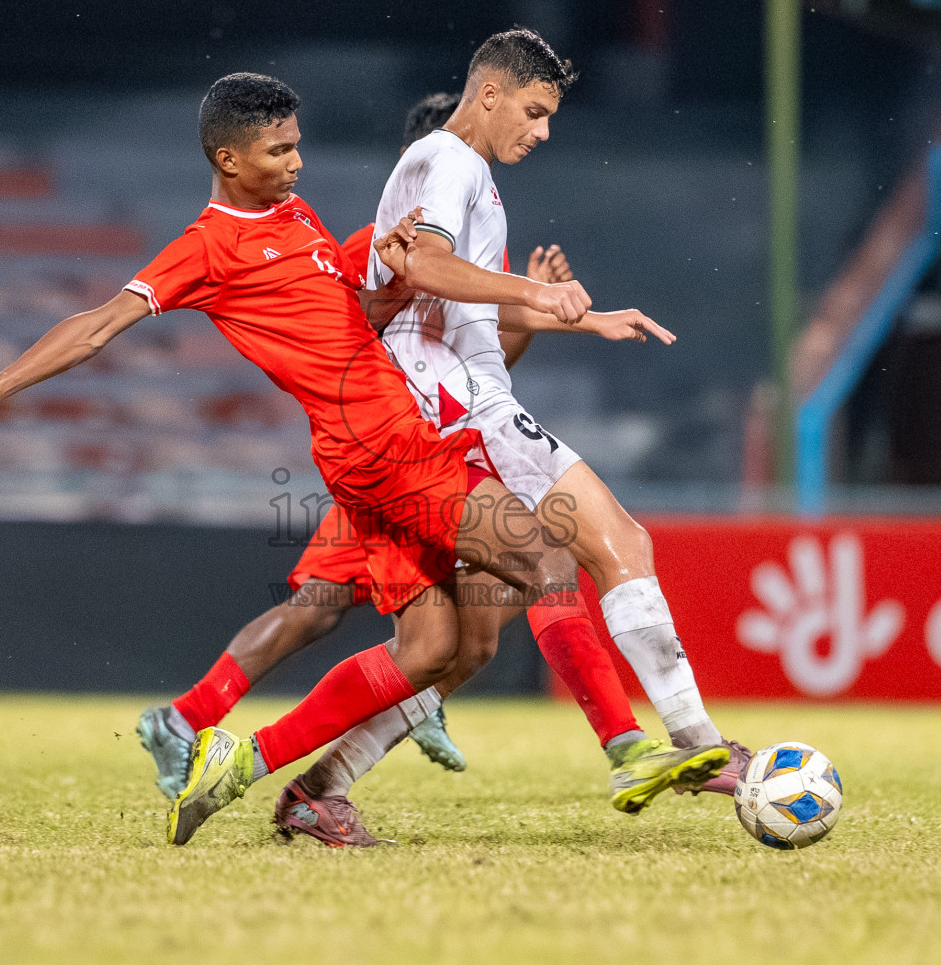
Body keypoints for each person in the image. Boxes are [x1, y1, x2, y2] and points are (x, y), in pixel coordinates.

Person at [0, 72, 661, 847]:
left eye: (298, 143)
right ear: (229, 160)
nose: (298, 162)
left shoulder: (295, 215)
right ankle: (628, 748)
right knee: (547, 561)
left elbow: (346, 319)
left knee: (434, 649)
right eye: (278, 150)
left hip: (376, 449)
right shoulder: (208, 247)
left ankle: (246, 764)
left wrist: (396, 279)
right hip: (384, 450)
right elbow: (98, 324)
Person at [271, 28, 748, 845]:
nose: (544, 131)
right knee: (607, 545)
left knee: (467, 642)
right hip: (449, 403)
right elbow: (425, 268)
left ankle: (317, 788)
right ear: (488, 92)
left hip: (452, 393)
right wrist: (537, 290)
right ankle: (694, 745)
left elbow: (465, 303)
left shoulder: (464, 172)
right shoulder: (451, 162)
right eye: (534, 111)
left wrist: (587, 318)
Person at [136, 94, 641, 831]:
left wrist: (574, 317)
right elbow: (336, 324)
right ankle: (198, 722)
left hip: (437, 453)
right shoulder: (383, 240)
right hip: (388, 461)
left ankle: (314, 749)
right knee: (335, 608)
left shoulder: (477, 255)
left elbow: (487, 366)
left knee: (455, 637)